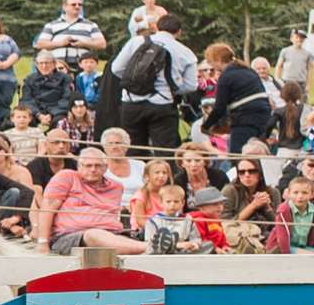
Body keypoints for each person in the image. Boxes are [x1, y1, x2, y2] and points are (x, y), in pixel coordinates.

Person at [111, 13, 198, 153]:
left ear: (157, 27)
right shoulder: (186, 52)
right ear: (179, 32)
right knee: (165, 151)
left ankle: (137, 174)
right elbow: (191, 85)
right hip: (162, 104)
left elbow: (116, 68)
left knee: (134, 149)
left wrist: (134, 82)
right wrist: (172, 88)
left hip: (132, 101)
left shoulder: (136, 41)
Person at [35, 147, 145, 254]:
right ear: (79, 166)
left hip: (113, 233)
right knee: (94, 234)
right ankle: (147, 248)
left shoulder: (116, 187)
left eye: (98, 165)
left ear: (106, 167)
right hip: (71, 236)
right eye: (88, 165)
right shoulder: (66, 176)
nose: (93, 169)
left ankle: (147, 247)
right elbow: (48, 208)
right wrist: (42, 242)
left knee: (140, 233)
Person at [200, 43, 272, 157]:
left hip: (245, 121)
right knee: (259, 155)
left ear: (218, 60)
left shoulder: (226, 77)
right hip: (264, 118)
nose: (211, 65)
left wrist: (206, 126)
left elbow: (219, 108)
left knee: (237, 156)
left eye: (210, 61)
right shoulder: (249, 71)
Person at [34, 0, 107, 72]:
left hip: (83, 68)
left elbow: (102, 44)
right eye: (73, 4)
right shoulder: (51, 25)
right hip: (58, 68)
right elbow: (40, 44)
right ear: (64, 7)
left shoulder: (91, 25)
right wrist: (60, 43)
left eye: (80, 5)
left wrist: (83, 43)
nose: (77, 6)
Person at [141, 182, 204, 254]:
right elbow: (150, 244)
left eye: (176, 201)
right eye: (168, 201)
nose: (172, 204)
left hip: (185, 252)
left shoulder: (188, 219)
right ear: (161, 202)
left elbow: (196, 238)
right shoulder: (153, 221)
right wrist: (176, 245)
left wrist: (194, 244)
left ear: (182, 203)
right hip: (161, 254)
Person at [19, 53, 74, 121]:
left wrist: (52, 114)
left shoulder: (65, 78)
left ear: (54, 64)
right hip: (36, 111)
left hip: (57, 111)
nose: (44, 66)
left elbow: (66, 98)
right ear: (36, 64)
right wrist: (39, 115)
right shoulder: (29, 79)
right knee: (18, 121)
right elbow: (27, 99)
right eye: (41, 63)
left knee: (60, 120)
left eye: (47, 63)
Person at [266, 176, 314, 253]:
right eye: (296, 192)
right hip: (282, 247)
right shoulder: (284, 210)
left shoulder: (312, 210)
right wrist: (287, 256)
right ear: (289, 193)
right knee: (308, 255)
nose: (300, 196)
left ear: (312, 194)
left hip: (303, 246)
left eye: (305, 193)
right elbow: (282, 237)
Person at [128, 158, 175, 234]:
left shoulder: (168, 194)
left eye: (164, 173)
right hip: (143, 232)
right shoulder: (140, 196)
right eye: (157, 172)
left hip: (165, 231)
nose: (161, 175)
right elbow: (140, 222)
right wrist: (159, 228)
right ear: (147, 176)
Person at [98, 127, 145, 198]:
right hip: (108, 207)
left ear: (126, 146)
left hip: (137, 206)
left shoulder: (140, 165)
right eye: (110, 143)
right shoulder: (97, 166)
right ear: (104, 147)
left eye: (118, 143)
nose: (114, 147)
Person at [188, 186, 230, 252]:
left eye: (221, 203)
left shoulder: (216, 219)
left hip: (218, 250)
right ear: (202, 207)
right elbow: (202, 239)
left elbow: (222, 236)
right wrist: (215, 248)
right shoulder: (199, 220)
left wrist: (224, 246)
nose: (220, 207)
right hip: (206, 251)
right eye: (215, 204)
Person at [277, 29, 310, 96]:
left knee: (301, 103)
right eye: (297, 37)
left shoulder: (307, 54)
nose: (299, 39)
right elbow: (279, 66)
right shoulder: (285, 51)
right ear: (291, 38)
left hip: (301, 83)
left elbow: (309, 71)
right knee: (285, 101)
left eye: (302, 38)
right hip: (286, 81)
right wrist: (277, 80)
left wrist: (308, 85)